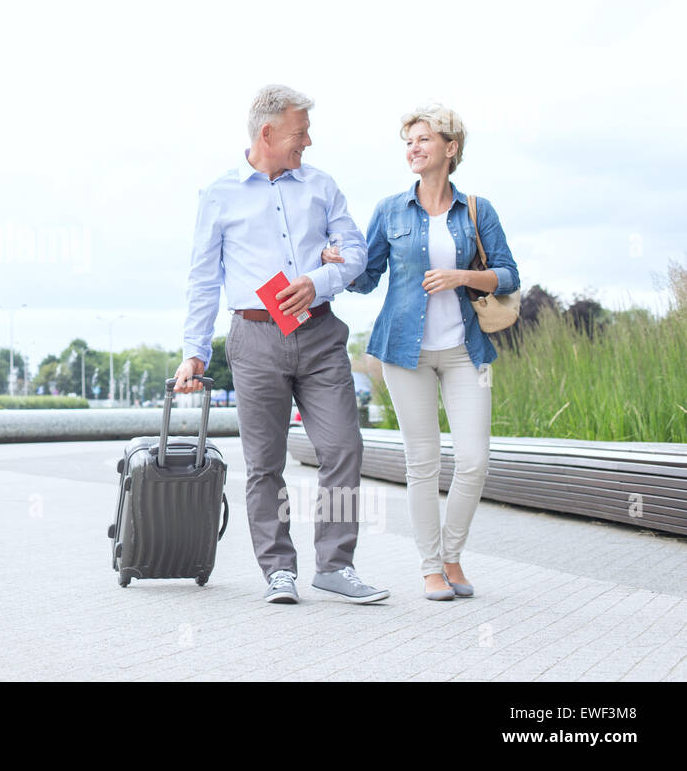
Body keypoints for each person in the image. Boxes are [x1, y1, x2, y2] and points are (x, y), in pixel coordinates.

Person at [173, 84, 389, 605]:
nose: (308, 142)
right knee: (265, 462)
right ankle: (278, 570)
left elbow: (356, 252)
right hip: (254, 337)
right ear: (267, 133)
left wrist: (319, 281)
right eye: (300, 132)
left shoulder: (321, 186)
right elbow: (204, 278)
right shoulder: (219, 194)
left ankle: (335, 565)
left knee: (343, 448)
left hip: (318, 333)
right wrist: (194, 350)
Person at [337, 104, 519, 600]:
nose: (413, 149)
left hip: (465, 351)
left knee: (475, 461)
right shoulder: (390, 210)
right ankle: (430, 569)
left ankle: (453, 556)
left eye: (423, 140)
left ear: (450, 148)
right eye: (408, 142)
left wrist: (462, 276)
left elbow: (508, 275)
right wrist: (340, 262)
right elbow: (368, 276)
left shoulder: (478, 209)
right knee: (422, 462)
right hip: (403, 350)